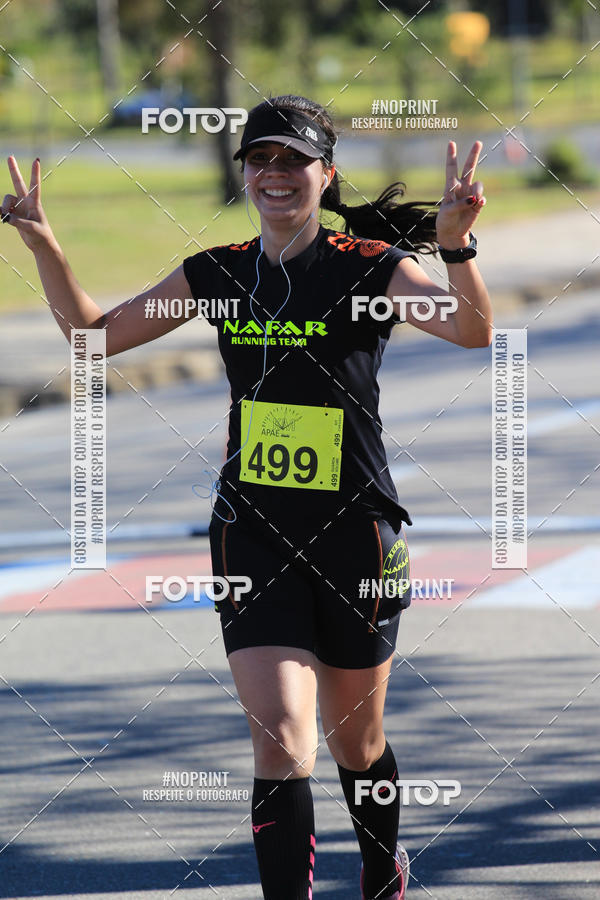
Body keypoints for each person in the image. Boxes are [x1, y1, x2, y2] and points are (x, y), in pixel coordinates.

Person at [3, 94, 492, 899]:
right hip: (251, 532)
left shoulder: (369, 265)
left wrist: (455, 246)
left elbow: (471, 331)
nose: (275, 175)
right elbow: (93, 336)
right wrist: (44, 243)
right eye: (260, 159)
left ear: (324, 174)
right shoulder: (218, 272)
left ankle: (380, 866)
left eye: (293, 160)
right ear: (244, 175)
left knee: (355, 741)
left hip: (356, 532)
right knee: (282, 742)